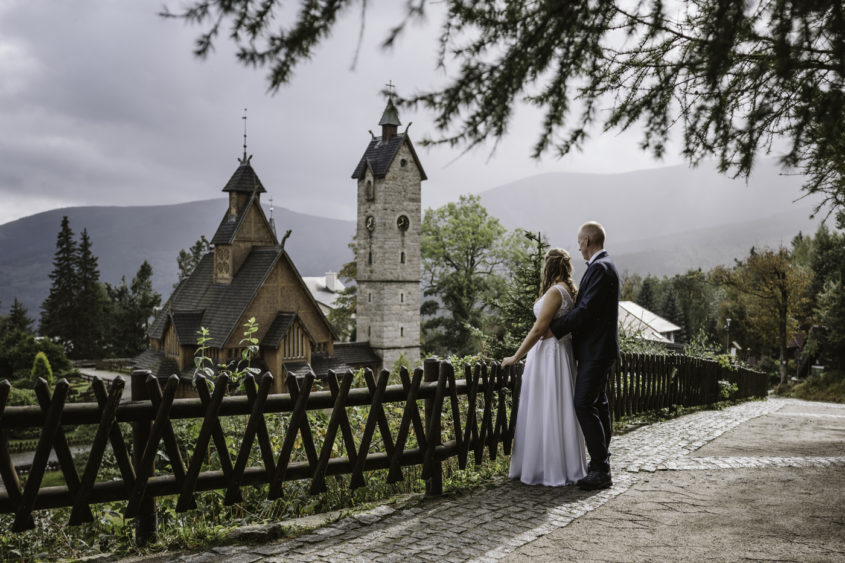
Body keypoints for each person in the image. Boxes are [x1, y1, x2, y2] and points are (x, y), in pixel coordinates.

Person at [502, 248, 587, 486]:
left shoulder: (555, 292)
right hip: (559, 353)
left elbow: (539, 329)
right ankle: (557, 464)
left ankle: (549, 468)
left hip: (550, 355)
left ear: (549, 266)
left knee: (548, 404)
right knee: (555, 406)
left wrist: (515, 357)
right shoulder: (568, 290)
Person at [547, 221, 619, 491]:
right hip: (598, 349)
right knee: (598, 403)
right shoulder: (604, 266)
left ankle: (601, 469)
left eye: (579, 241)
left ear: (587, 240)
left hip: (596, 350)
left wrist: (554, 329)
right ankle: (601, 462)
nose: (578, 247)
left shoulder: (600, 268)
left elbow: (586, 310)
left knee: (583, 404)